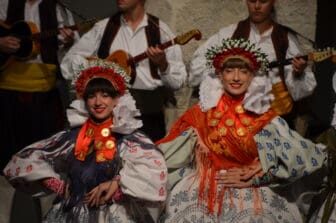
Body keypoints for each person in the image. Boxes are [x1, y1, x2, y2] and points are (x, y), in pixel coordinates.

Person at [156, 38, 326, 222]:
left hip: (252, 184)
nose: (236, 78)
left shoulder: (263, 114)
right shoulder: (201, 113)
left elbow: (302, 154)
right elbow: (168, 151)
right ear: (219, 74)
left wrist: (263, 169)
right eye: (229, 71)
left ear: (252, 75)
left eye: (243, 72)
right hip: (206, 182)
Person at [3, 60, 168, 222]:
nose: (98, 102)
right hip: (71, 211)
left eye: (105, 95)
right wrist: (56, 184)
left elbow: (152, 171)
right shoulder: (71, 136)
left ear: (117, 99)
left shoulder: (129, 137)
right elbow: (24, 159)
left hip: (112, 213)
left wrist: (117, 184)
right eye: (91, 96)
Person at [61, 0, 187, 142]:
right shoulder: (104, 28)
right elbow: (68, 63)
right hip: (107, 115)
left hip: (148, 115)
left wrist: (163, 64)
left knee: (147, 161)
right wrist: (100, 69)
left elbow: (178, 82)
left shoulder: (160, 30)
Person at [0, 0, 77, 222]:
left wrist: (67, 44)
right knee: (4, 162)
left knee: (47, 162)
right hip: (7, 97)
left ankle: (49, 218)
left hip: (45, 97)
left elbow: (71, 63)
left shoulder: (59, 10)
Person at [189, 0, 316, 131]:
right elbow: (196, 71)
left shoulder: (284, 39)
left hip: (275, 122)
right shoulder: (229, 34)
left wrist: (298, 73)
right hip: (234, 122)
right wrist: (223, 70)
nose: (257, 6)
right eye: (252, 1)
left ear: (273, 2)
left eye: (263, 1)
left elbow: (302, 92)